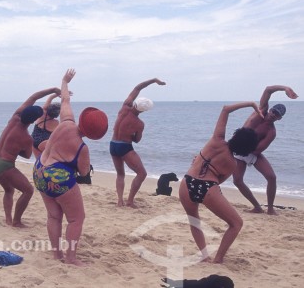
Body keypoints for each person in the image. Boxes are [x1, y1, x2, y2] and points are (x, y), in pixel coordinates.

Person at [33, 69, 108, 266]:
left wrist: (65, 81)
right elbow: (83, 172)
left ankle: (57, 255)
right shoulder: (82, 147)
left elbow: (65, 100)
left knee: (53, 215)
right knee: (76, 219)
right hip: (58, 177)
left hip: (39, 169)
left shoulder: (66, 121)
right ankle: (71, 258)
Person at [179, 102, 262, 263]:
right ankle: (218, 259)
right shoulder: (232, 164)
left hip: (186, 182)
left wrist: (252, 104)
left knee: (194, 221)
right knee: (236, 223)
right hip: (207, 188)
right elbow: (216, 182)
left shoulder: (216, 140)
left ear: (236, 136)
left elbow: (226, 109)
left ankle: (204, 256)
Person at [0, 86, 61, 227]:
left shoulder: (14, 117)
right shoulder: (26, 138)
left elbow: (33, 97)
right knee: (28, 190)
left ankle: (8, 219)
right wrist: (17, 150)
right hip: (5, 165)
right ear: (33, 120)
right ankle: (16, 221)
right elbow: (27, 155)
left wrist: (52, 90)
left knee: (9, 190)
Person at [232, 85, 298, 215]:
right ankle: (257, 207)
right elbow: (268, 90)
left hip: (251, 151)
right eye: (274, 111)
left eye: (277, 115)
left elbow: (257, 150)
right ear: (270, 109)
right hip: (238, 147)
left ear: (279, 118)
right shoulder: (260, 111)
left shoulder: (271, 132)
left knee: (272, 177)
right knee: (237, 181)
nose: (273, 115)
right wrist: (285, 88)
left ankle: (270, 209)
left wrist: (247, 148)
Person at [110, 78, 166, 207]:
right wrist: (132, 134)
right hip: (125, 146)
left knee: (120, 174)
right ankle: (129, 200)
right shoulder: (139, 124)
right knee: (142, 174)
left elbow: (137, 88)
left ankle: (120, 201)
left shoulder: (124, 107)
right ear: (143, 110)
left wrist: (154, 81)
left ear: (135, 103)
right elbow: (137, 140)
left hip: (113, 144)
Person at [31, 93, 61, 159]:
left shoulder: (42, 114)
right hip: (44, 143)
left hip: (33, 140)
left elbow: (50, 98)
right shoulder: (56, 123)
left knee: (38, 161)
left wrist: (55, 94)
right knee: (45, 162)